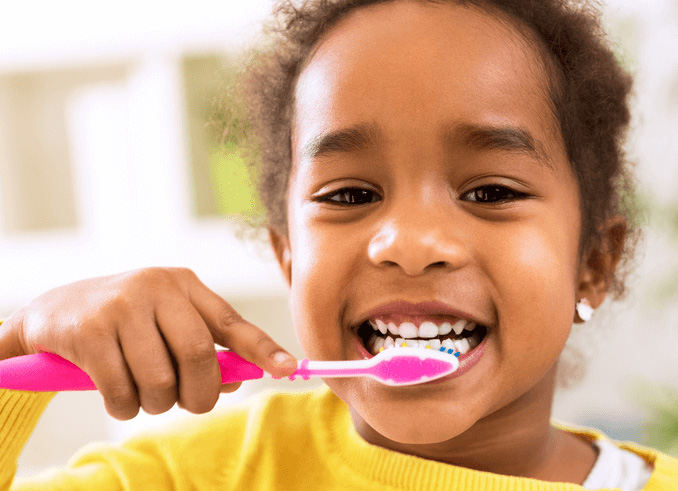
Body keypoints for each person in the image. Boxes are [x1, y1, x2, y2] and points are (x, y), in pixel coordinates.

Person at [1, 0, 677, 489]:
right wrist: (15, 353)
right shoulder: (188, 477)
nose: (410, 244)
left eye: (490, 192)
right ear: (287, 257)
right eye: (350, 195)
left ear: (592, 264)